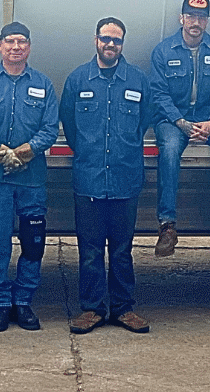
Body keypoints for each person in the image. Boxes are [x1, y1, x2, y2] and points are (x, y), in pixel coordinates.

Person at [60, 18, 154, 335]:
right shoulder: (78, 80)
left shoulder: (138, 81)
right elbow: (70, 127)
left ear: (122, 44)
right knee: (89, 252)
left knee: (122, 251)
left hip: (126, 179)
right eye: (105, 38)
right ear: (95, 40)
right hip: (89, 179)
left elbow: (145, 122)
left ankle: (124, 309)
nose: (110, 44)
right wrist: (89, 152)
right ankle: (92, 310)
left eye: (117, 40)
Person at [0, 21, 59, 332]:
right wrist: (2, 152)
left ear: (29, 47)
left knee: (33, 242)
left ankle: (23, 300)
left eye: (21, 42)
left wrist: (24, 153)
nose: (15, 47)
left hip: (31, 179)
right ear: (0, 46)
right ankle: (1, 302)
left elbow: (49, 129)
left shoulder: (44, 84)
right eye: (9, 41)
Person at [148, 0, 210, 260]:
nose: (195, 22)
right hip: (173, 119)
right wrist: (181, 123)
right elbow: (158, 94)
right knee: (168, 150)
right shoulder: (164, 51)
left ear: (207, 21)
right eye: (190, 16)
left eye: (201, 17)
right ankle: (167, 225)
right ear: (181, 19)